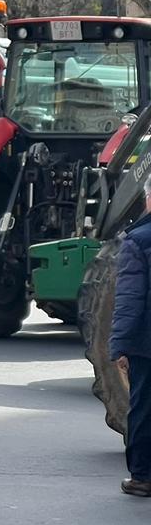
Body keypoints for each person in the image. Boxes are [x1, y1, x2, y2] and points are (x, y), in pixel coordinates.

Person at [111, 173, 151, 497]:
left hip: (147, 343)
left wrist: (120, 346)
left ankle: (143, 476)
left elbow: (129, 301)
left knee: (143, 406)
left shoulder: (138, 240)